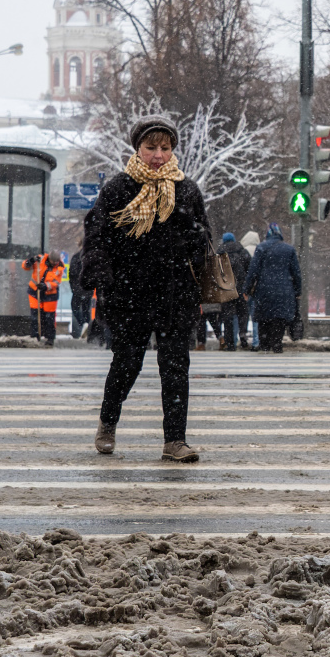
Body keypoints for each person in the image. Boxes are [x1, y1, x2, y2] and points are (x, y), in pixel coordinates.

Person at [82, 114, 211, 463]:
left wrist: (194, 237)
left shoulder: (186, 190)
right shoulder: (119, 188)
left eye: (165, 148)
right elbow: (97, 237)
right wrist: (103, 278)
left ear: (173, 150)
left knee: (175, 366)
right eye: (151, 147)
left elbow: (203, 245)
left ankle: (175, 440)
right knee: (127, 363)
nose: (158, 155)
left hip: (175, 294)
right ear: (138, 148)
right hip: (130, 294)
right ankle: (107, 423)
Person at [243, 223, 301, 354]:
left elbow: (253, 271)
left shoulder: (261, 248)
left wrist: (246, 289)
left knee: (264, 318)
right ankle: (277, 344)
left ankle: (264, 345)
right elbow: (296, 273)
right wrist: (298, 291)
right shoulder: (289, 249)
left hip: (264, 290)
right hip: (284, 290)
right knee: (278, 319)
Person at [217, 232, 252, 351]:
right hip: (241, 288)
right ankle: (242, 334)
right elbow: (250, 270)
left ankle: (230, 342)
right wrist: (247, 287)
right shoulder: (242, 251)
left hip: (226, 289)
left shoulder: (219, 253)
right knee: (243, 313)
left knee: (227, 317)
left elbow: (215, 272)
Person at [21, 252, 63, 345]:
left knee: (49, 317)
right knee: (35, 315)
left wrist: (45, 286)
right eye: (53, 261)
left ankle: (50, 338)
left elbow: (56, 282)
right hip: (34, 292)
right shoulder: (40, 260)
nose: (55, 263)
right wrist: (31, 261)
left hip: (50, 294)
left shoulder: (60, 267)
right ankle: (35, 336)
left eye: (56, 261)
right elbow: (25, 266)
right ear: (49, 259)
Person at [240, 230, 261, 350]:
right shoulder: (260, 250)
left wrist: (245, 289)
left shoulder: (243, 252)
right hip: (259, 289)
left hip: (247, 288)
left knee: (245, 314)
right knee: (256, 316)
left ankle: (242, 337)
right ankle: (256, 341)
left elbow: (246, 273)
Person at [68, 248, 91, 339]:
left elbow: (71, 275)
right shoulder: (90, 258)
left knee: (76, 309)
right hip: (84, 290)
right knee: (84, 310)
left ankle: (82, 325)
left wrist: (74, 289)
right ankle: (85, 324)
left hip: (79, 290)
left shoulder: (76, 258)